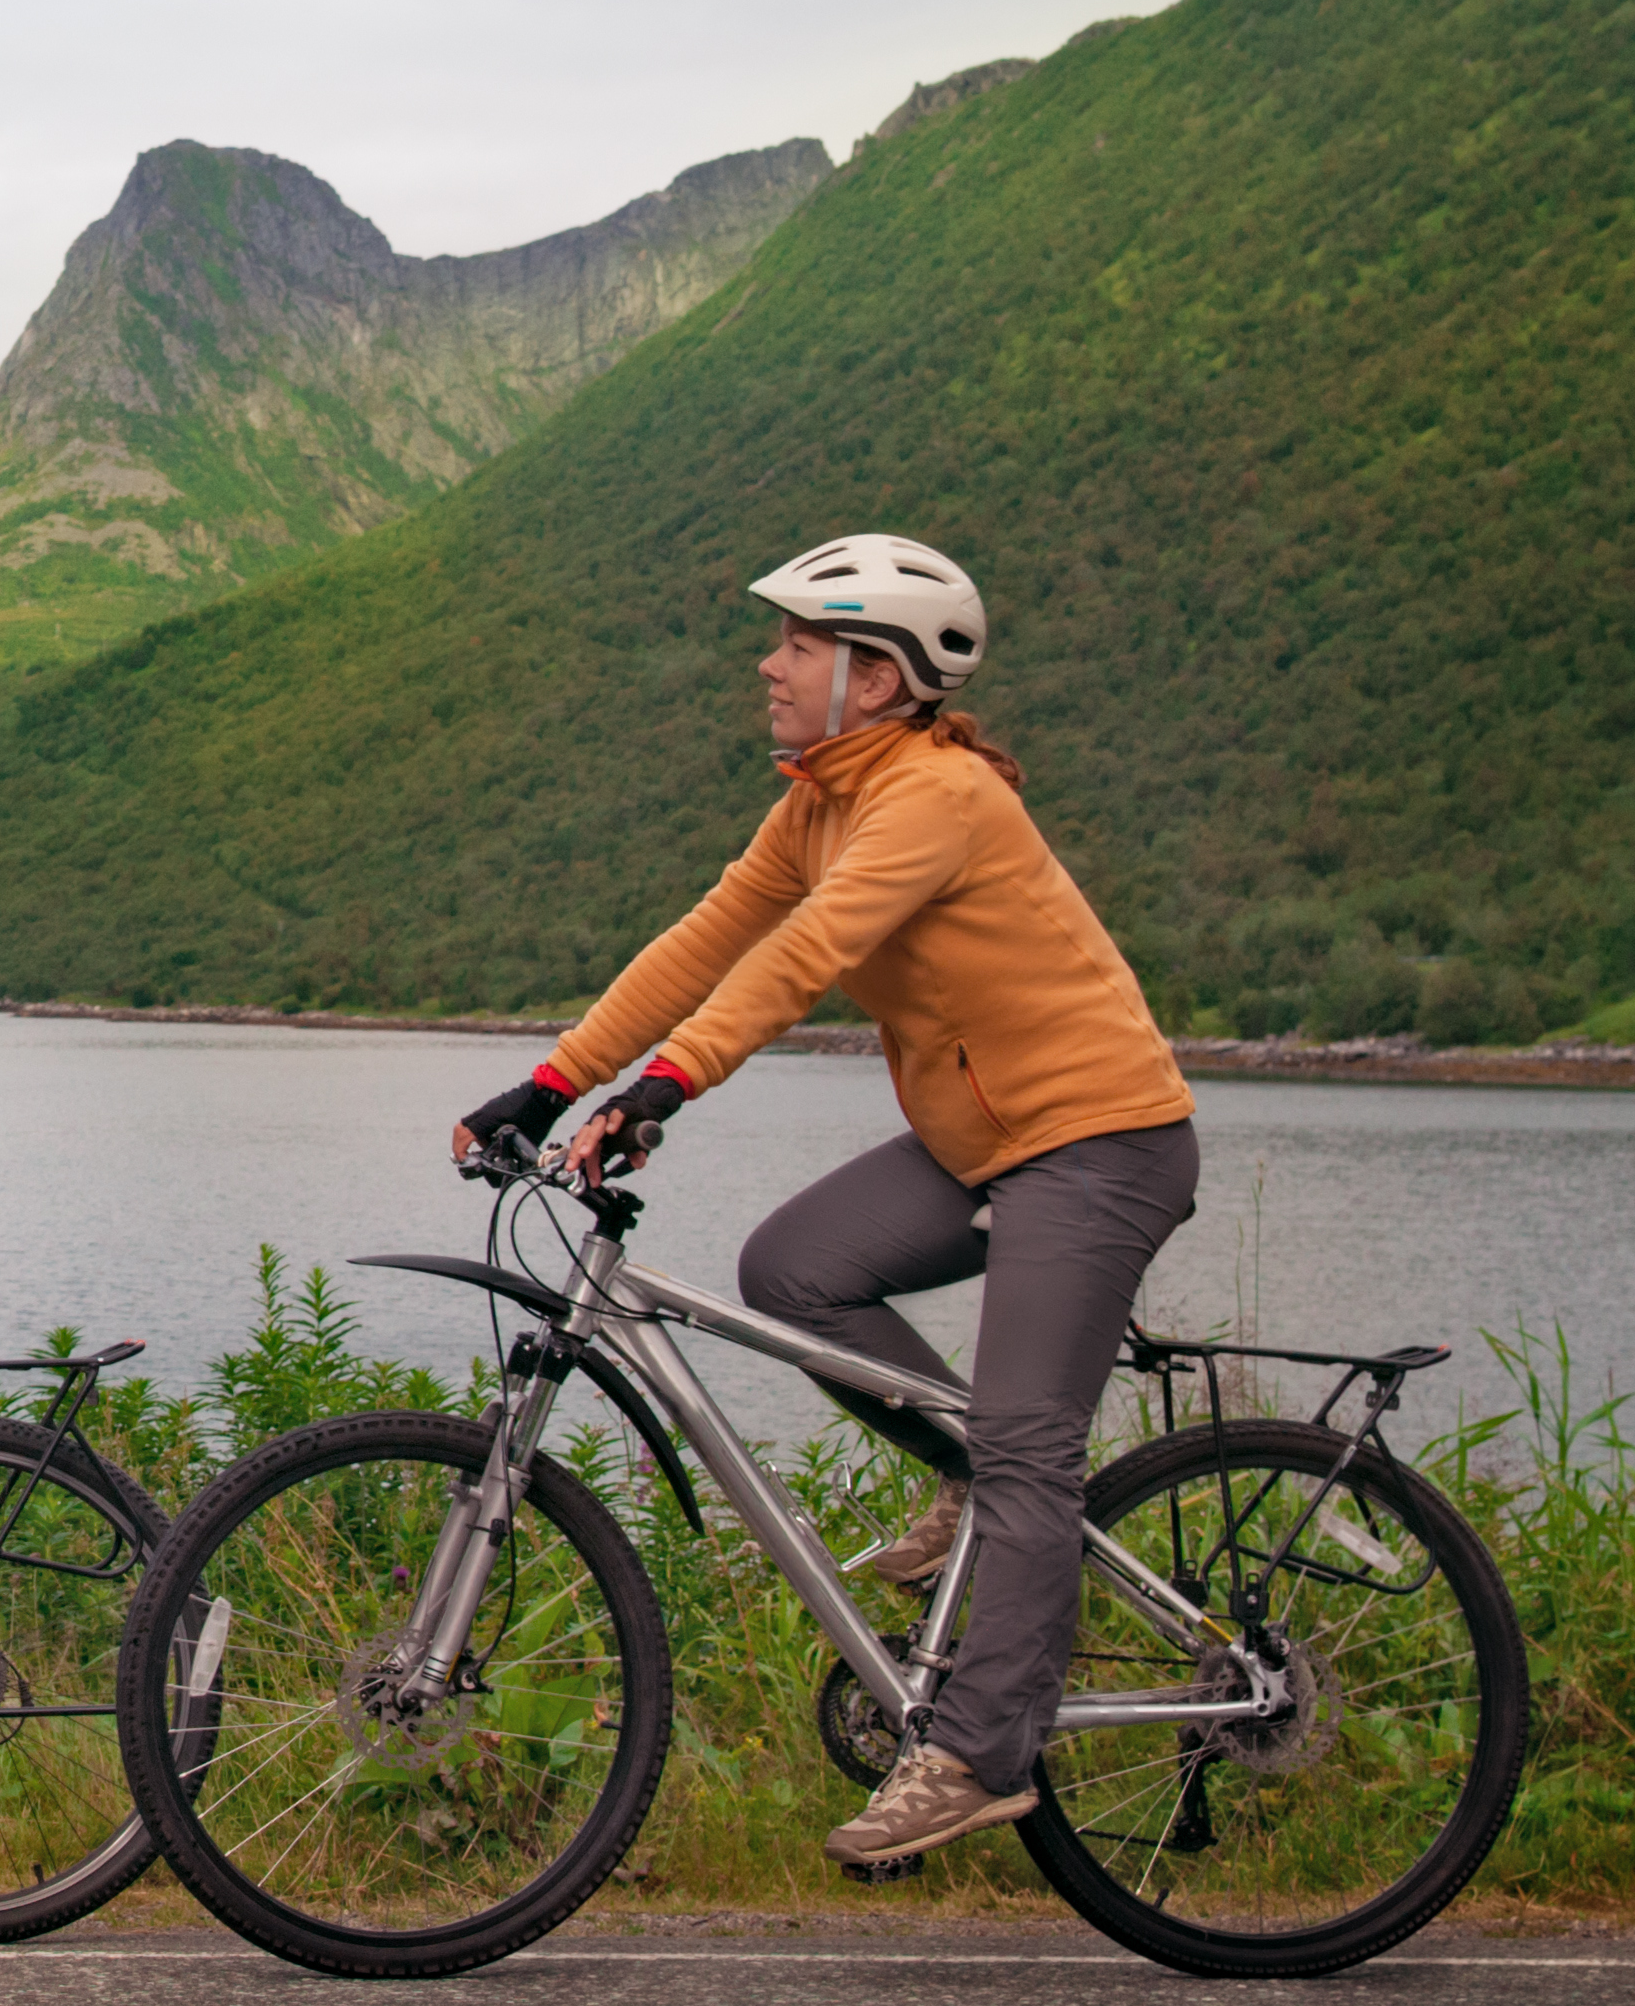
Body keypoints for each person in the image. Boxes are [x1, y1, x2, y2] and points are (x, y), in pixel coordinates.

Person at [450, 533, 1199, 1869]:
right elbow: (709, 938)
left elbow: (809, 952)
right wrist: (554, 1083)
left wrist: (666, 1086)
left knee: (1030, 1445)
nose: (769, 664)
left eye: (797, 645)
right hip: (983, 1141)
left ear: (878, 676)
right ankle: (972, 1481)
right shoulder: (821, 803)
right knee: (795, 1271)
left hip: (1099, 1144)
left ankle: (979, 1754)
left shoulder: (936, 797)